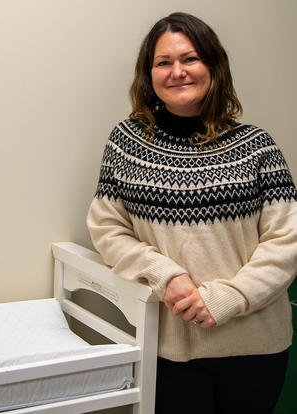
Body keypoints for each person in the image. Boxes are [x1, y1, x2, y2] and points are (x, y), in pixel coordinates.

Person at [87, 12, 297, 414]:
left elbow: (285, 241)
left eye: (191, 59)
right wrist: (167, 274)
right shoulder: (126, 142)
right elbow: (107, 228)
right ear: (148, 75)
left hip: (254, 348)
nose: (177, 71)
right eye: (163, 62)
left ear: (213, 67)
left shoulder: (258, 145)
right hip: (168, 347)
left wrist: (226, 298)